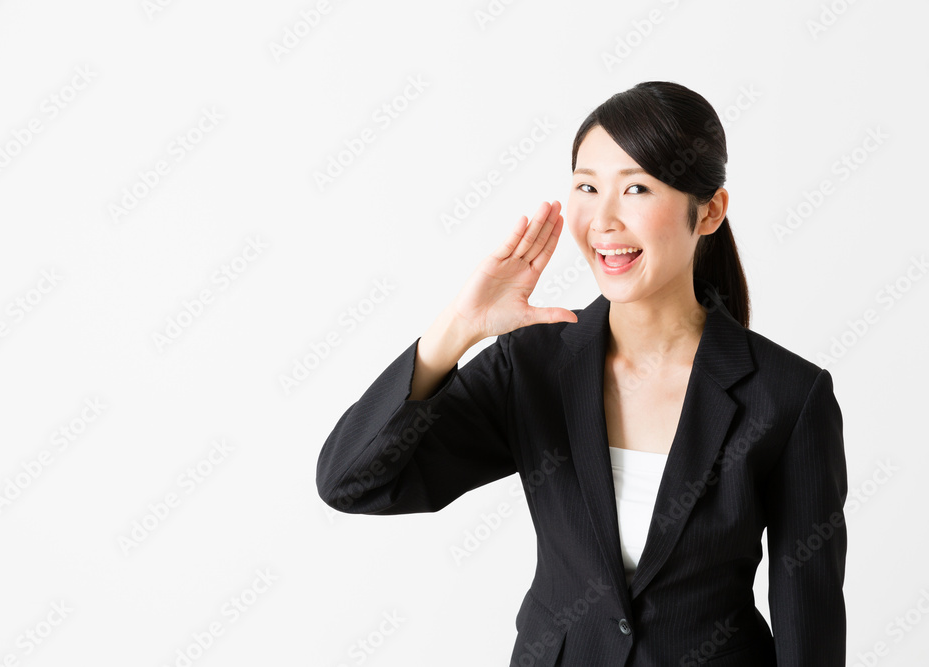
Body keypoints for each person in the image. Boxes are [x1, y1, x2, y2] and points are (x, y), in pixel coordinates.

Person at [315, 81, 847, 666]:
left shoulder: (788, 397)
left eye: (637, 188)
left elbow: (809, 623)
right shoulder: (534, 364)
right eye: (588, 187)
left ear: (711, 211)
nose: (604, 219)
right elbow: (352, 482)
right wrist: (456, 330)